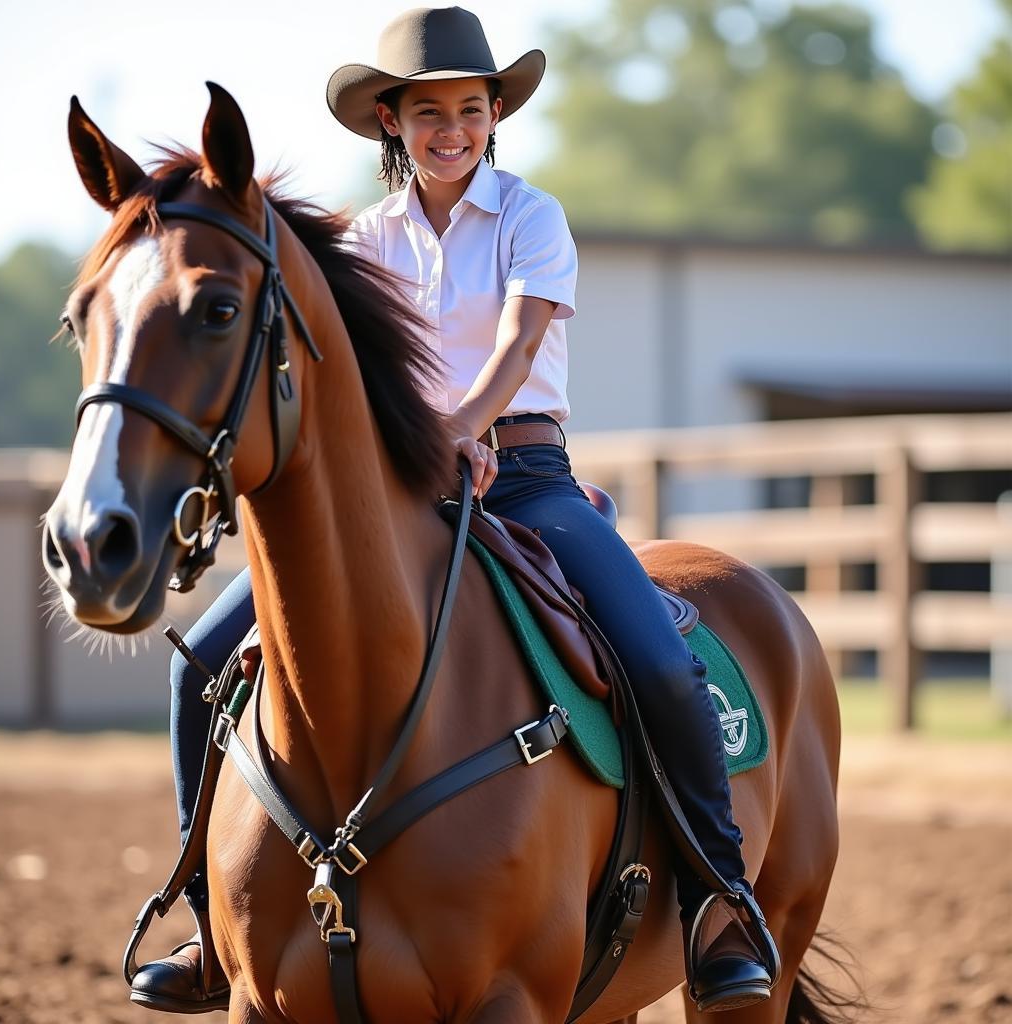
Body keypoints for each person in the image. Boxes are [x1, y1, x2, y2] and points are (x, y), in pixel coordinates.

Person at [133, 6, 779, 1015]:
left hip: (522, 476)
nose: (453, 130)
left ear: (492, 117)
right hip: (387, 495)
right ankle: (206, 924)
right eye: (428, 111)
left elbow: (519, 345)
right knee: (201, 670)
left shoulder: (531, 216)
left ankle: (718, 900)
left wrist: (463, 428)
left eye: (470, 110)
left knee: (656, 657)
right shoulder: (357, 241)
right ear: (388, 120)